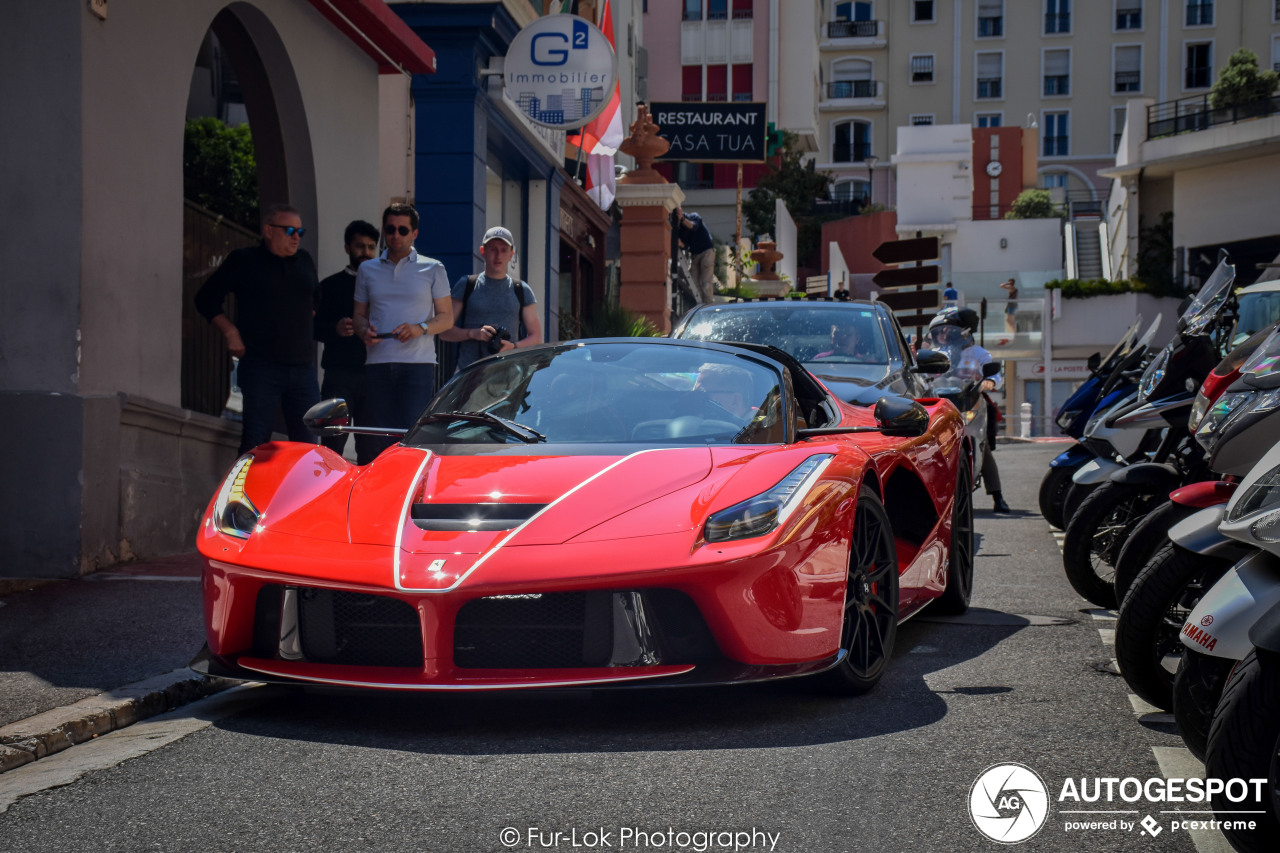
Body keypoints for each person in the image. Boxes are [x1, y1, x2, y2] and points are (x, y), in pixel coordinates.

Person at [195, 202, 320, 454]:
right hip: (262, 366)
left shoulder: (304, 261)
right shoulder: (245, 261)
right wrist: (231, 332)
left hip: (303, 368)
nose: (296, 237)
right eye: (289, 231)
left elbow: (314, 303)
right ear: (269, 230)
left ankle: (303, 494)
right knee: (256, 441)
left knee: (308, 444)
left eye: (300, 232)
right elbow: (205, 298)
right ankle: (244, 493)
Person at [353, 203, 453, 456]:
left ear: (414, 233)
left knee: (412, 436)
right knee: (378, 437)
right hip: (377, 363)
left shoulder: (433, 268)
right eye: (390, 229)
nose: (395, 235)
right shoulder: (367, 269)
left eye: (402, 229)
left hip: (417, 365)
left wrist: (420, 328)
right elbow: (358, 317)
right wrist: (363, 330)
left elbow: (447, 319)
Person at [927, 307, 1011, 513]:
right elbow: (920, 377)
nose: (943, 334)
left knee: (982, 447)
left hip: (970, 402)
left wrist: (991, 380)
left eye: (948, 330)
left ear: (962, 332)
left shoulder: (978, 353)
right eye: (939, 331)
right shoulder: (935, 354)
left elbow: (994, 371)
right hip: (940, 407)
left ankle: (997, 496)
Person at [314, 219, 379, 464]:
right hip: (338, 375)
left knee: (372, 449)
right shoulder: (329, 286)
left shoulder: (382, 287)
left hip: (374, 376)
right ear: (347, 248)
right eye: (360, 246)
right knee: (331, 446)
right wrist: (335, 329)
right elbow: (311, 328)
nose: (366, 252)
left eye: (371, 247)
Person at [440, 226, 542, 372]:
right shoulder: (467, 285)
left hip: (509, 375)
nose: (498, 255)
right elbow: (444, 331)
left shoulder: (522, 290)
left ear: (511, 254)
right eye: (493, 249)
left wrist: (513, 346)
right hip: (470, 374)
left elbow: (537, 337)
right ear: (483, 251)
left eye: (503, 250)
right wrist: (473, 334)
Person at [674, 206, 718, 302]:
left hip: (707, 251)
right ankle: (698, 303)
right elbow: (685, 245)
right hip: (695, 254)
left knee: (705, 281)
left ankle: (708, 304)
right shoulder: (680, 230)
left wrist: (682, 219)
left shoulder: (694, 216)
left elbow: (693, 226)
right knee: (693, 282)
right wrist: (681, 244)